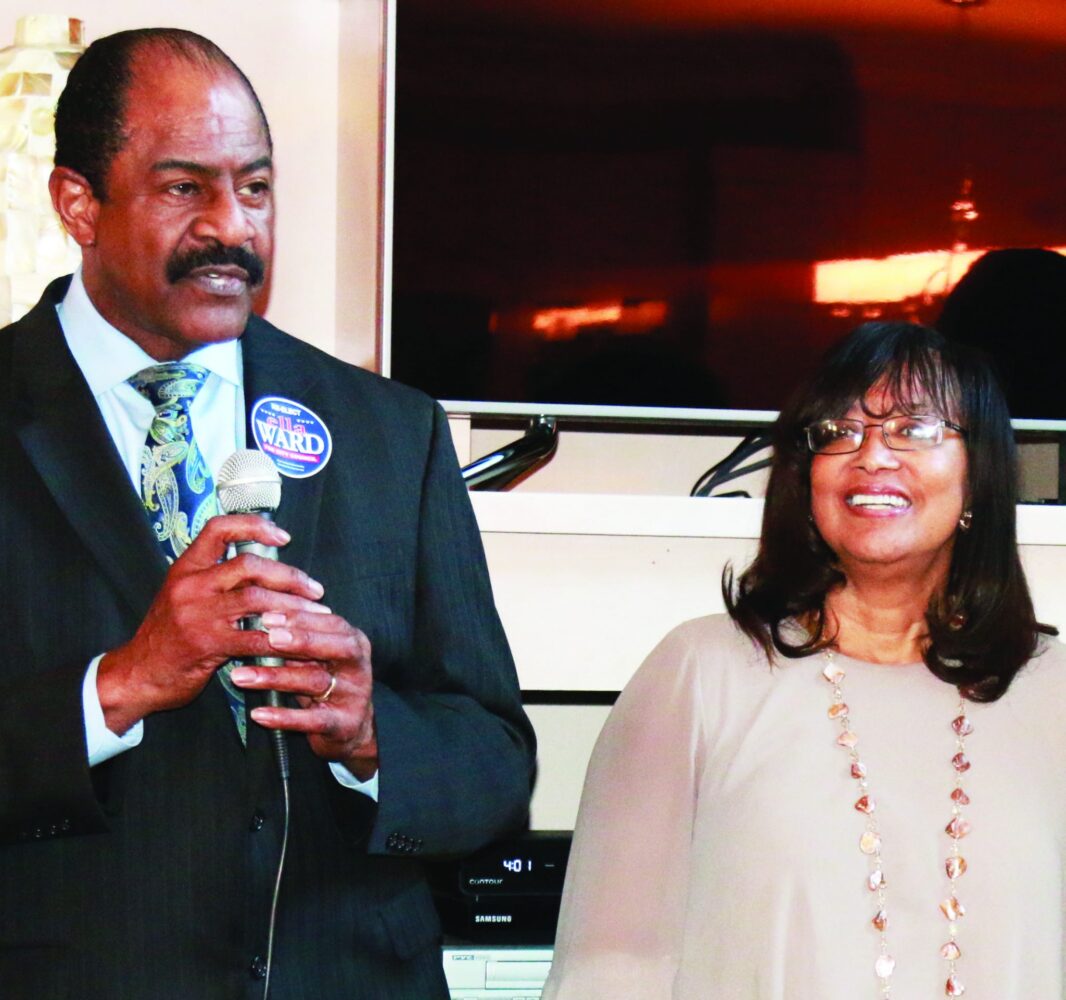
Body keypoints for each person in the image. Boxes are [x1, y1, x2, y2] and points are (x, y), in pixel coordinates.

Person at [0, 28, 535, 1000]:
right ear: (79, 203)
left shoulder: (390, 432)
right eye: (184, 188)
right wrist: (122, 683)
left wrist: (370, 734)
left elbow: (494, 764)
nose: (232, 228)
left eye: (254, 187)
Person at [543, 322, 1065, 999]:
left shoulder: (1051, 690)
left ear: (979, 476)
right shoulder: (701, 674)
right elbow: (608, 969)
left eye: (914, 428)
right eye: (838, 431)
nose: (872, 456)